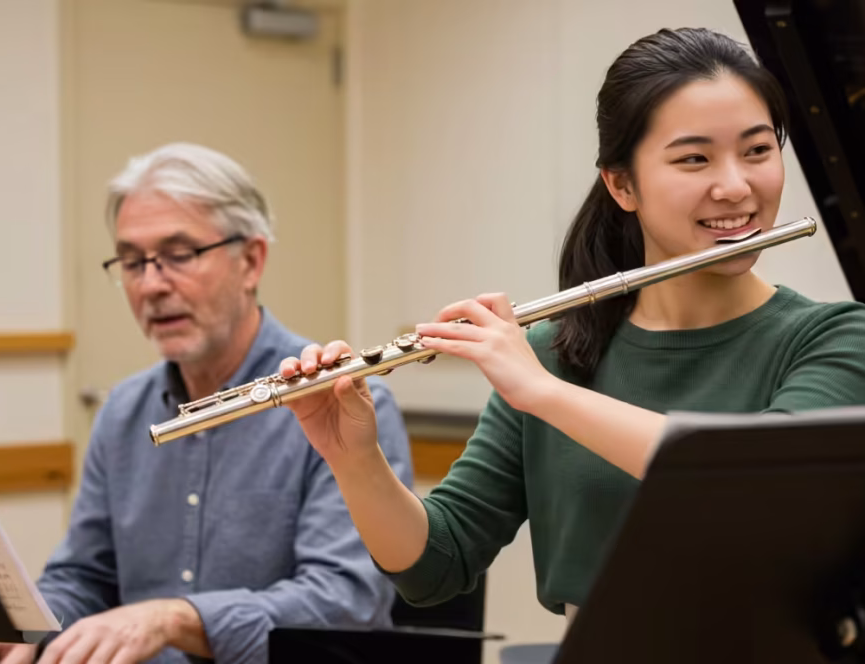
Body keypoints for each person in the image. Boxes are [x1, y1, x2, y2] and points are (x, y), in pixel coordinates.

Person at [277, 26, 865, 627]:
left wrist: (545, 394)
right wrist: (355, 460)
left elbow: (762, 492)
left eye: (758, 151)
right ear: (622, 184)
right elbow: (434, 568)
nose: (736, 186)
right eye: (695, 158)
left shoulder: (835, 339)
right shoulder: (552, 356)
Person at [0, 143, 413, 664]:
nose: (151, 285)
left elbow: (343, 604)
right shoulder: (122, 411)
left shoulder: (345, 404)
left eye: (179, 255)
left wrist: (175, 619)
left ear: (251, 261)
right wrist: (23, 629)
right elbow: (84, 577)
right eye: (132, 262)